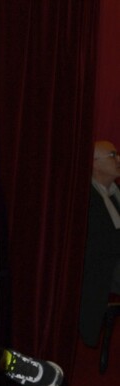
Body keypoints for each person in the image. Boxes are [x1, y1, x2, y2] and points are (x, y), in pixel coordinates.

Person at [79, 141, 120, 347]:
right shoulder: (85, 196)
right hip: (101, 269)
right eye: (113, 155)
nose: (118, 159)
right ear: (95, 164)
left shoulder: (116, 193)